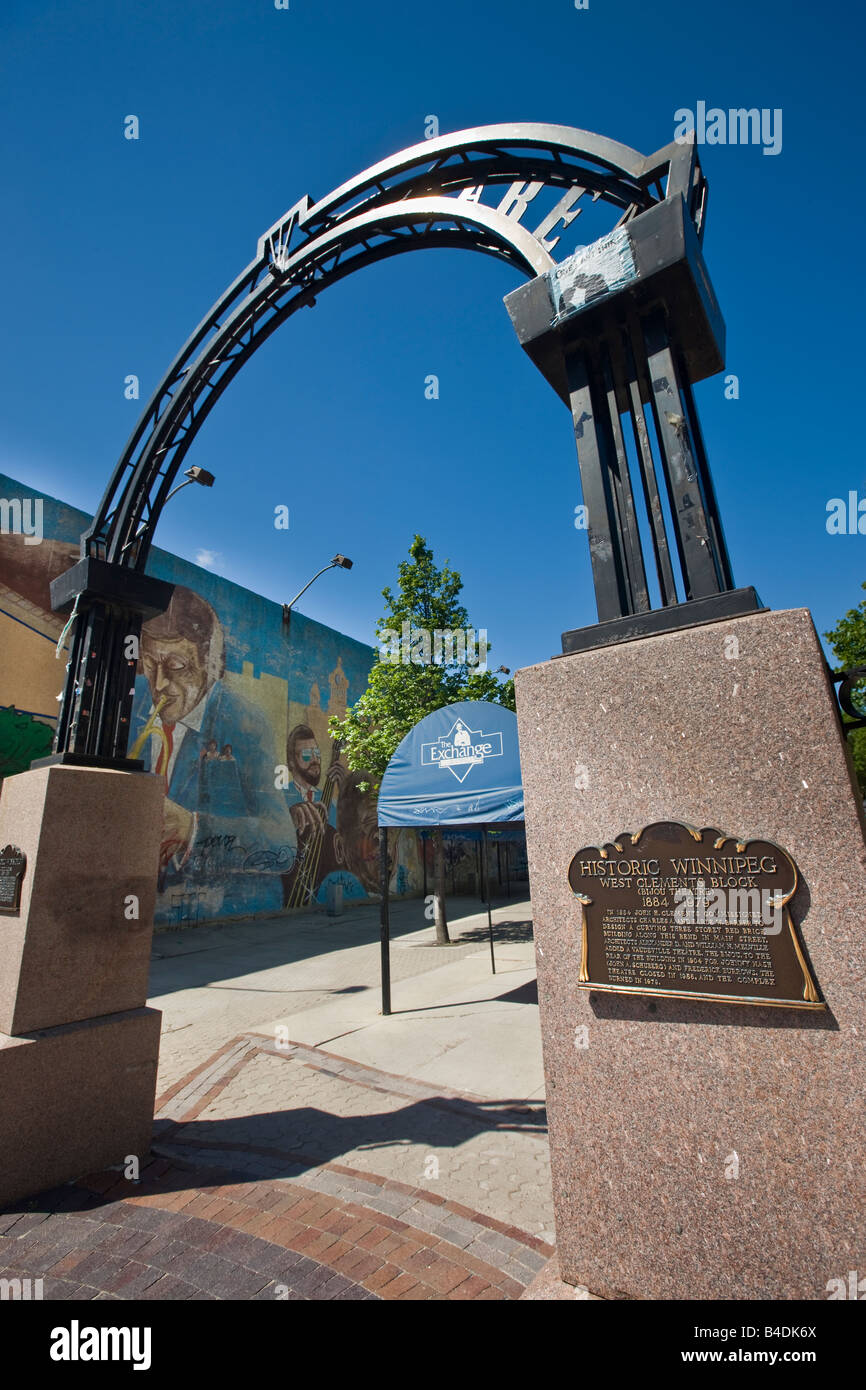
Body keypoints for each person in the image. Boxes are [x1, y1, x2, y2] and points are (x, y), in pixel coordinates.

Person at [130, 585, 296, 919]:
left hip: (219, 915)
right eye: (149, 663)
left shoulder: (245, 723)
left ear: (212, 665)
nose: (159, 683)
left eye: (176, 665)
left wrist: (191, 829)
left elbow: (283, 847)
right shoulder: (131, 706)